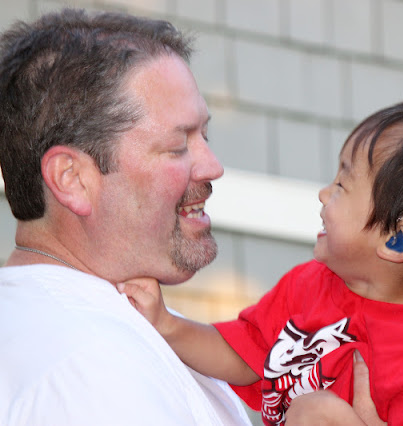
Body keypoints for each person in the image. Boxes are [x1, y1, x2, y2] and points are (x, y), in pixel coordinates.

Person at [119, 66, 403, 425]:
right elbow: (245, 353)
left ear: (396, 240)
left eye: (342, 184)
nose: (324, 193)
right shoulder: (311, 285)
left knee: (317, 412)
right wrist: (166, 325)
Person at [0, 8, 253, 425]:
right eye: (177, 147)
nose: (213, 166)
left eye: (204, 136)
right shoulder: (87, 367)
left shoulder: (116, 330)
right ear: (71, 179)